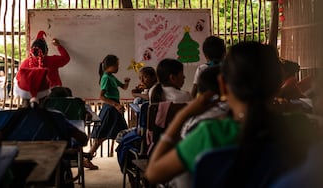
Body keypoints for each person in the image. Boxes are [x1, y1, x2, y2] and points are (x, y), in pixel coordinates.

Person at [145, 41, 316, 186]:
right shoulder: (301, 126)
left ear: (223, 84)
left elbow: (153, 174)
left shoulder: (209, 134)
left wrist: (183, 115)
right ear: (278, 83)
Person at [86, 54, 131, 170]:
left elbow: (124, 87)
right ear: (109, 66)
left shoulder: (111, 76)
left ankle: (127, 158)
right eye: (116, 65)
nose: (118, 67)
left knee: (121, 134)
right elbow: (101, 96)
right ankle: (87, 158)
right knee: (104, 135)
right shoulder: (106, 77)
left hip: (114, 109)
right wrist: (116, 105)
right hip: (110, 109)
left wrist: (127, 83)